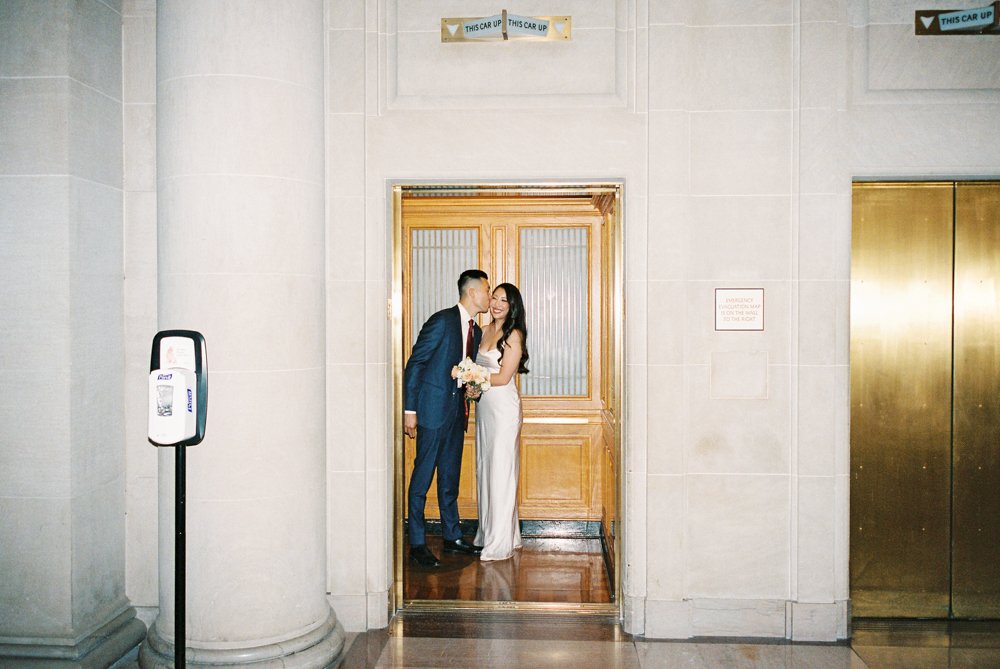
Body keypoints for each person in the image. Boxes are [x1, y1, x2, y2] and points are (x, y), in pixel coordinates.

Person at [404, 269, 491, 568]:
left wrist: (473, 386)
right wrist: (410, 411)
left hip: (457, 415)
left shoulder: (476, 332)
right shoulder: (441, 321)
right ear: (472, 292)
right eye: (487, 290)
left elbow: (466, 372)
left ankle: (452, 536)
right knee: (421, 479)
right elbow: (416, 364)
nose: (489, 296)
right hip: (430, 412)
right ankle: (417, 542)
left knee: (450, 479)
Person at [473, 283, 530, 561]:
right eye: (494, 297)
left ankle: (499, 542)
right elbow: (481, 369)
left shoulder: (514, 335)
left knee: (501, 470)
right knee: (486, 468)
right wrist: (472, 384)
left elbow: (503, 377)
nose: (496, 303)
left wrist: (470, 378)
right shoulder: (484, 331)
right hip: (485, 407)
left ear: (512, 306)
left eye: (503, 300)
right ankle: (492, 531)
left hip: (504, 408)